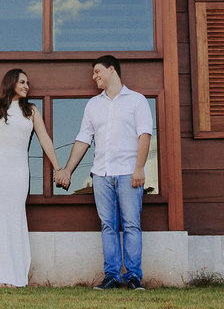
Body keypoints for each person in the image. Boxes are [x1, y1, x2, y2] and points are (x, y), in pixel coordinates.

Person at [55, 55, 152, 290]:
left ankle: (133, 278)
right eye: (93, 73)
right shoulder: (93, 105)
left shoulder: (137, 101)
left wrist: (139, 168)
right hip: (101, 175)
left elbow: (145, 136)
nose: (94, 76)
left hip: (129, 173)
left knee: (131, 224)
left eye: (97, 71)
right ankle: (111, 277)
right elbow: (83, 140)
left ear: (112, 70)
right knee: (108, 225)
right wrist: (67, 170)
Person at [0, 68, 65, 287]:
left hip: (18, 171)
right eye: (22, 82)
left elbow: (45, 140)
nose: (26, 86)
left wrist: (58, 168)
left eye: (28, 83)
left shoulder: (31, 111)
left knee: (14, 217)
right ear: (11, 82)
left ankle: (13, 275)